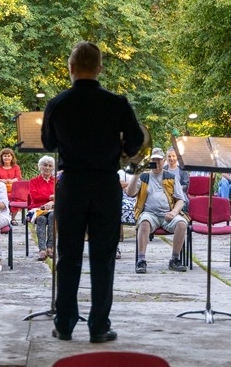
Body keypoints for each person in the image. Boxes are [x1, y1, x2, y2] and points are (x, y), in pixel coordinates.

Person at [42, 41, 144, 344]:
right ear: (99, 68)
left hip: (71, 185)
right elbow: (137, 141)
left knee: (68, 256)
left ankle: (64, 324)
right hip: (104, 186)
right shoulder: (117, 103)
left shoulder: (58, 103)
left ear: (71, 69)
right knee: (103, 258)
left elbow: (48, 144)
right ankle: (99, 327)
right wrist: (122, 148)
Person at [127, 148, 188, 274]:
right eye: (154, 160)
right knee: (144, 223)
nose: (157, 162)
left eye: (159, 160)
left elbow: (181, 200)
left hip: (168, 214)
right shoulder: (144, 177)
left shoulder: (170, 177)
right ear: (150, 161)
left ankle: (175, 259)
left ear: (163, 161)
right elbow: (130, 192)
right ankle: (141, 260)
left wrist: (174, 212)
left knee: (182, 224)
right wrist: (137, 173)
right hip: (150, 214)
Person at [28, 156, 56, 261]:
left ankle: (50, 248)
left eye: (50, 166)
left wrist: (52, 203)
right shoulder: (34, 181)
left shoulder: (56, 181)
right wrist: (50, 197)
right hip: (37, 209)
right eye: (45, 165)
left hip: (53, 209)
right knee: (41, 219)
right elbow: (35, 197)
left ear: (53, 168)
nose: (47, 168)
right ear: (40, 167)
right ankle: (42, 250)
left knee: (53, 216)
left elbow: (62, 196)